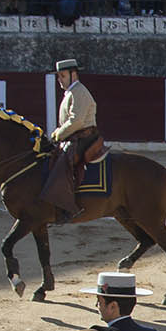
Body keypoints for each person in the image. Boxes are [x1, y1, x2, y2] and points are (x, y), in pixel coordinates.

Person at [46, 58, 98, 218]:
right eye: (59, 76)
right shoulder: (72, 92)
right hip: (74, 137)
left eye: (62, 75)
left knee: (63, 163)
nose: (59, 79)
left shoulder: (79, 91)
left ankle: (67, 206)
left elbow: (76, 121)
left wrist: (58, 134)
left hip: (83, 139)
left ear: (73, 74)